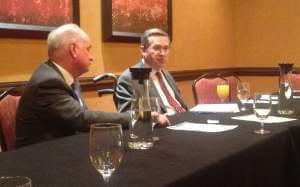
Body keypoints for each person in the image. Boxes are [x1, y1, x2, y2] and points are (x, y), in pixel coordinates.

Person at [16, 24, 130, 147]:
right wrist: (134, 117)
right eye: (88, 49)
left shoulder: (65, 76)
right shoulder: (48, 82)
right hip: (38, 158)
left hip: (63, 148)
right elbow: (82, 119)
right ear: (73, 49)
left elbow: (82, 119)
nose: (91, 57)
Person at [115, 28, 188, 126]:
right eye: (157, 48)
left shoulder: (166, 74)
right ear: (143, 50)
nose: (163, 53)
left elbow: (180, 106)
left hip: (184, 121)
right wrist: (154, 118)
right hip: (161, 129)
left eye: (166, 48)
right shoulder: (130, 77)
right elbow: (127, 116)